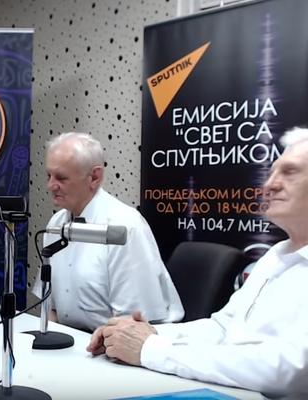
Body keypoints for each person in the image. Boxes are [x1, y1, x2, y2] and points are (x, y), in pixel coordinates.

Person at [86, 127, 308, 398]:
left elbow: (286, 372)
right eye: (272, 172)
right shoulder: (275, 256)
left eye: (289, 172)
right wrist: (141, 334)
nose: (269, 184)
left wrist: (151, 349)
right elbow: (222, 328)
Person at [34, 132, 183, 332]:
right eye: (49, 176)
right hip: (75, 341)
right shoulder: (56, 223)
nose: (50, 186)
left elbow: (133, 324)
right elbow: (50, 308)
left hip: (122, 343)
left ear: (94, 177)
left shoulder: (124, 227)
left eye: (61, 178)